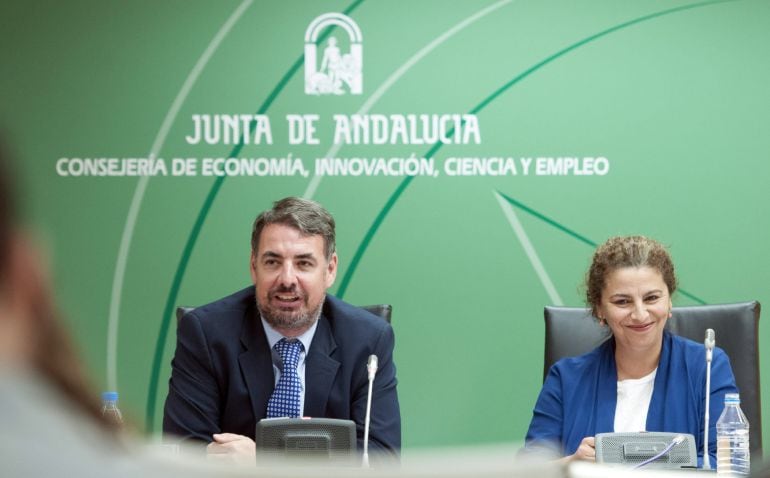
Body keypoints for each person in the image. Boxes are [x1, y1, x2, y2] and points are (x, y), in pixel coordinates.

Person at [162, 197, 401, 462]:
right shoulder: (206, 334)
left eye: (303, 263)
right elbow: (184, 453)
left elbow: (380, 457)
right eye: (273, 262)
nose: (287, 279)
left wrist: (265, 458)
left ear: (330, 269)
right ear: (254, 267)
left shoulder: (368, 341)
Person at [524, 235, 737, 467]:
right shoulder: (566, 378)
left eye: (652, 298)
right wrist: (572, 464)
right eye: (622, 302)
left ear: (669, 302)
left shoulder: (708, 366)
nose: (640, 314)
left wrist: (633, 461)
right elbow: (529, 470)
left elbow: (728, 464)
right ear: (599, 310)